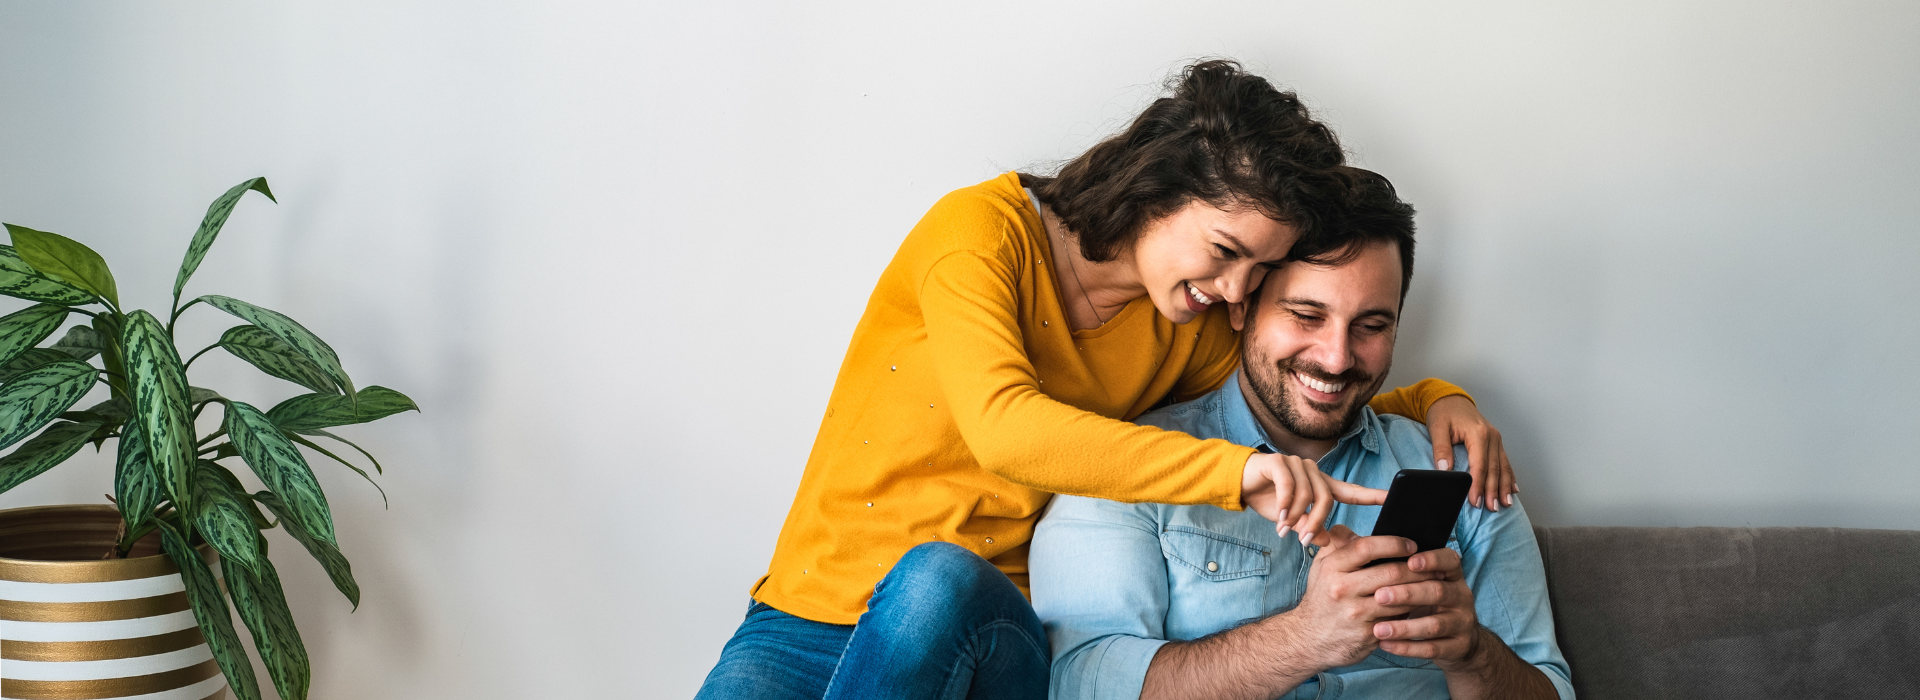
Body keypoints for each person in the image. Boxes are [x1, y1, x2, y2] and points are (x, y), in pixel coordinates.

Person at [695, 61, 1520, 700]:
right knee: (921, 576)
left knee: (938, 576)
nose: (1235, 291)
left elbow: (1307, 381)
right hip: (808, 611)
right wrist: (1238, 475)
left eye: (1258, 270)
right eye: (1226, 253)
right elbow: (1007, 427)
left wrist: (1442, 397)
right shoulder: (982, 236)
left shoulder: (1185, 328)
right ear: (1156, 190)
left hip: (992, 634)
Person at [1029, 171, 1571, 700]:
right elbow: (1077, 682)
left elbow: (1551, 689)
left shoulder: (1465, 468)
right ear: (1241, 306)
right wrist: (1304, 638)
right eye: (1307, 315)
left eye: (1372, 326)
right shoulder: (1129, 465)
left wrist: (1471, 654)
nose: (1337, 358)